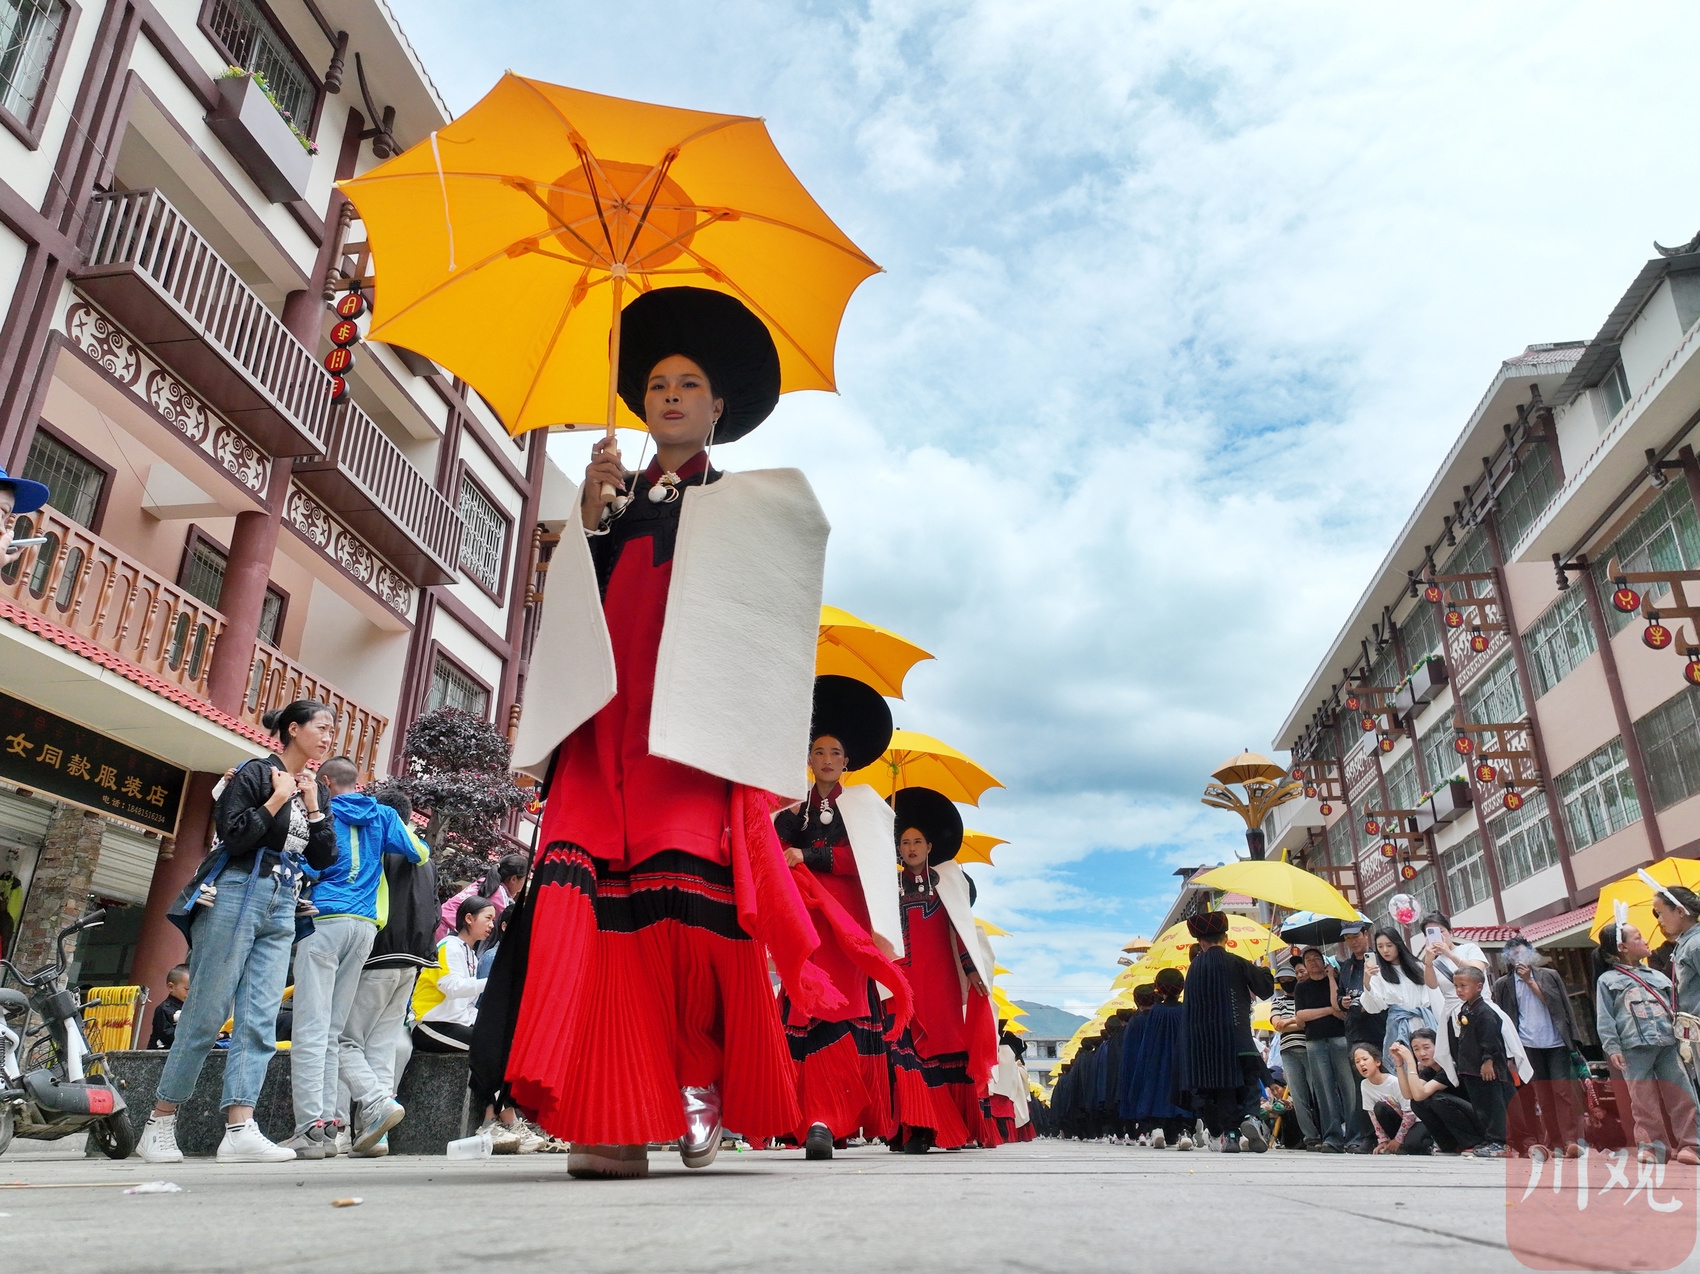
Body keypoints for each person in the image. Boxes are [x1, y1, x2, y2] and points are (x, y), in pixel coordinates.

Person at [474, 288, 837, 1181]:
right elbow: (564, 627)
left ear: (720, 408)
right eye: (657, 383)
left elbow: (770, 623)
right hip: (602, 730)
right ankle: (613, 1114)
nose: (670, 394)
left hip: (688, 737)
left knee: (685, 923)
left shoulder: (753, 505)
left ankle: (694, 1086)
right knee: (593, 911)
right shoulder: (603, 501)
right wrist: (588, 527)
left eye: (689, 383)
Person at [137, 700, 337, 1164]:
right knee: (206, 1011)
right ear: (293, 728)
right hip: (235, 893)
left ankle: (241, 1128)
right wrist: (277, 798)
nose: (328, 737)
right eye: (321, 727)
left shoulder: (317, 791)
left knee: (260, 1017)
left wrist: (312, 805)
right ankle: (160, 1123)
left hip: (284, 899)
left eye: (332, 730)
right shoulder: (253, 773)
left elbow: (325, 859)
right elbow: (234, 834)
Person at [773, 676, 911, 1160]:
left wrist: (809, 856)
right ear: (808, 759)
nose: (827, 759)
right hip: (806, 924)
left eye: (834, 752)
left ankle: (828, 1118)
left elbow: (866, 864)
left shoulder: (868, 807)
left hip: (849, 928)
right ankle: (815, 1117)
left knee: (844, 1010)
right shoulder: (790, 810)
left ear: (847, 760)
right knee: (806, 1009)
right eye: (818, 751)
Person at [283, 756, 429, 1160]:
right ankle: (332, 1128)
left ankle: (312, 1129)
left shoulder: (319, 810)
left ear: (326, 781)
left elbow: (307, 862)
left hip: (324, 921)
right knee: (332, 1031)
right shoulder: (382, 814)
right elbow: (419, 853)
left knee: (311, 1028)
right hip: (364, 927)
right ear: (358, 781)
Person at [887, 788, 998, 1153]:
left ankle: (957, 1125)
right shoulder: (887, 885)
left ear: (930, 846)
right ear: (898, 849)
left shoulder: (948, 881)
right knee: (905, 1046)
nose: (912, 848)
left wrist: (970, 969)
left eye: (918, 841)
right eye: (905, 842)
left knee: (945, 1044)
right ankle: (918, 1127)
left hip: (941, 979)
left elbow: (962, 929)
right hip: (902, 975)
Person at [335, 787, 437, 1159]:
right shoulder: (424, 855)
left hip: (376, 954)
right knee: (379, 1049)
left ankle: (352, 1122)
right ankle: (375, 1136)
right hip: (411, 962)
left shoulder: (376, 840)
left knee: (344, 1041)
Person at [1595, 920, 1699, 1165]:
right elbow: (1605, 1017)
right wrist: (1612, 1047)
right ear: (1623, 947)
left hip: (1668, 1043)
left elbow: (1676, 1006)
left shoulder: (1658, 976)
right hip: (1633, 1047)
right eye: (1638, 937)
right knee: (1643, 1100)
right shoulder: (1607, 980)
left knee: (1681, 1094)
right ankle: (1653, 1148)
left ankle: (1692, 1145)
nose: (1645, 941)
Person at [1177, 910, 1275, 1153]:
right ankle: (1251, 1118)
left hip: (1206, 1046)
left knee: (1224, 1092)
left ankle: (1231, 1136)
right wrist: (1263, 970)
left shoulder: (1193, 970)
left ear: (1200, 941)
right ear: (1226, 937)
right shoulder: (1237, 962)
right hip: (1239, 1038)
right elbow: (1265, 990)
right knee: (1249, 1084)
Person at [1490, 936, 1581, 1157]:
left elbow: (1561, 1007)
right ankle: (1556, 1141)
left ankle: (1570, 1140)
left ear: (1530, 954)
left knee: (1562, 1091)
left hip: (1556, 1042)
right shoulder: (1503, 984)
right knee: (1543, 1094)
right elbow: (1502, 1020)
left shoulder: (1549, 976)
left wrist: (1530, 981)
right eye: (1513, 956)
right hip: (1527, 1045)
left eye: (1521, 953)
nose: (1517, 959)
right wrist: (1508, 1052)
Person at [1438, 965, 1527, 1158]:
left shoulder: (1485, 1012)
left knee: (1494, 1105)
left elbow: (1491, 1040)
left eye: (1464, 985)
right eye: (1456, 986)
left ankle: (1502, 1142)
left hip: (1487, 1069)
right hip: (1471, 1069)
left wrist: (1488, 1061)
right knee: (1482, 1106)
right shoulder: (1465, 1009)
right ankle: (1491, 1139)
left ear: (1479, 986)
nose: (1459, 990)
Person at [1293, 946, 1354, 1152]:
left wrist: (1331, 978)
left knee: (1349, 1088)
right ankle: (1332, 1137)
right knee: (1324, 1090)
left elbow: (1340, 1008)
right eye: (1308, 960)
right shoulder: (1301, 987)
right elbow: (1301, 1016)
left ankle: (1354, 1135)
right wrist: (1328, 1011)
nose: (1313, 962)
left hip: (1339, 1038)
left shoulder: (1337, 981)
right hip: (1314, 1041)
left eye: (1316, 958)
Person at [1124, 969, 1193, 1149]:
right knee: (1182, 1096)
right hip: (1182, 1062)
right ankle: (1183, 1132)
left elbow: (1148, 1041)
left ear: (1158, 989)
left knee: (1157, 1093)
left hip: (1157, 1061)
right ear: (1181, 987)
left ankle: (1157, 1129)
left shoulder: (1156, 1012)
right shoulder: (1186, 1009)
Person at [1361, 926, 1444, 1071]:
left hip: (1423, 1022)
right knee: (1404, 1066)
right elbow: (1373, 1007)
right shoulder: (1378, 974)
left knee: (1429, 1063)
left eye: (1389, 945)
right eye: (1380, 946)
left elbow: (1433, 995)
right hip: (1399, 1025)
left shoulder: (1418, 967)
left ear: (1398, 945)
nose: (1385, 950)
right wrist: (1366, 981)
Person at [1389, 1030, 1483, 1154]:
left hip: (1477, 1118)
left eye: (1426, 1047)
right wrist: (1399, 1064)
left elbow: (1420, 1093)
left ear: (1438, 1046)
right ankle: (1449, 1145)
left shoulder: (1450, 1067)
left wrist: (1411, 1062)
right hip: (1462, 1114)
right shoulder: (1429, 1070)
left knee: (1438, 1099)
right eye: (1416, 1049)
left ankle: (1472, 1143)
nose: (1422, 1053)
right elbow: (1409, 1094)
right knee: (1417, 1103)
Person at [1268, 955, 1322, 1149]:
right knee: (1298, 1097)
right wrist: (1296, 1022)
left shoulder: (1306, 995)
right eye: (1282, 981)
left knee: (1318, 1092)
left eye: (1289, 979)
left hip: (1310, 1048)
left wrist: (1289, 1022)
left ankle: (1324, 1131)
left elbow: (1303, 1021)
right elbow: (1277, 1024)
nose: (1286, 983)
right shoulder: (1278, 1001)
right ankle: (1310, 1136)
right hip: (1288, 1051)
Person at [1352, 1041, 1431, 1154]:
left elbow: (1410, 1114)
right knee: (1379, 1108)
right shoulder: (1364, 1085)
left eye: (1365, 1059)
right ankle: (1396, 1144)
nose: (1362, 1064)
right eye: (1357, 1062)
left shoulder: (1393, 1082)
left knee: (1410, 1145)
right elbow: (1374, 1117)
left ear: (1377, 1061)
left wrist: (1398, 1140)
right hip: (1397, 1124)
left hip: (1415, 1121)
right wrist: (1383, 1141)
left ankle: (1423, 1143)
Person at [1419, 910, 1489, 1014]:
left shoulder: (1469, 948)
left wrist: (1449, 954)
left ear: (1450, 932)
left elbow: (1476, 971)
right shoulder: (1435, 963)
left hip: (1480, 1009)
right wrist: (1428, 961)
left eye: (1441, 931)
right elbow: (1432, 985)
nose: (1438, 936)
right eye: (1431, 933)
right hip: (1453, 1014)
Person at [147, 966, 190, 1050]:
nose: (191, 993)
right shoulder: (164, 1009)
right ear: (171, 987)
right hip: (162, 1053)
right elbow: (166, 1034)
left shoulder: (193, 1009)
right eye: (187, 989)